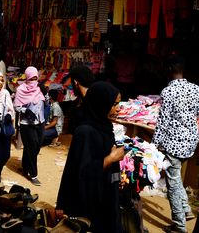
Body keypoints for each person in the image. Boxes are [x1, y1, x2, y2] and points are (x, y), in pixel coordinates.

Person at [56, 81, 124, 233]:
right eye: (114, 104)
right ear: (101, 103)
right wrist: (111, 159)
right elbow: (82, 173)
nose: (118, 109)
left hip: (105, 195)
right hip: (90, 203)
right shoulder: (85, 132)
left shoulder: (104, 127)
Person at [152, 56, 199, 233]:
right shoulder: (196, 89)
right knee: (176, 176)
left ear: (169, 70)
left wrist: (154, 146)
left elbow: (163, 121)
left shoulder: (168, 92)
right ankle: (186, 210)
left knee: (172, 183)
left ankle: (179, 225)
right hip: (190, 142)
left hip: (174, 143)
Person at [14, 67, 46, 186]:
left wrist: (46, 93)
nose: (33, 80)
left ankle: (25, 165)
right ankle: (33, 175)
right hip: (27, 124)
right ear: (27, 77)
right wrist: (25, 110)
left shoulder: (40, 88)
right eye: (31, 78)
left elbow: (47, 102)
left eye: (35, 78)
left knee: (36, 146)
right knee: (32, 148)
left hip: (40, 122)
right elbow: (16, 106)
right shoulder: (21, 89)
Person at [63, 65, 94, 133]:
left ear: (75, 82)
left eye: (71, 82)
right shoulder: (78, 102)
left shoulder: (91, 103)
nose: (68, 85)